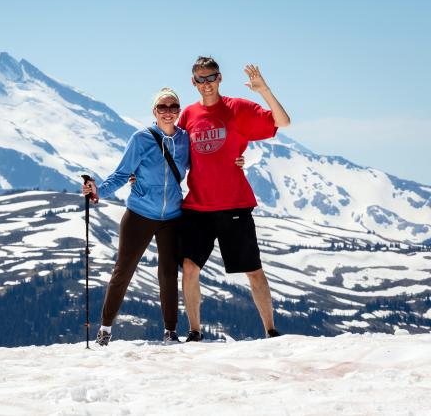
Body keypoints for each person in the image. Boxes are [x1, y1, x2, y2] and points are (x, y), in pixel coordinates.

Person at [178, 56, 291, 342]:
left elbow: (283, 122)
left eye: (211, 77)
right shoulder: (188, 115)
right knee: (189, 268)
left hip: (235, 204)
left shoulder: (237, 108)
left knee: (253, 270)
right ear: (193, 82)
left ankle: (271, 330)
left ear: (219, 78)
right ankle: (194, 331)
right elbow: (174, 154)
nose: (207, 84)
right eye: (200, 79)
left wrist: (263, 90)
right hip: (198, 206)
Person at [82, 88, 189, 345]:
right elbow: (122, 174)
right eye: (162, 107)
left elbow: (203, 166)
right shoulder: (141, 139)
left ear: (179, 110)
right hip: (140, 213)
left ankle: (170, 331)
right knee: (123, 271)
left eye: (173, 106)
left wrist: (236, 161)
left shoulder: (186, 139)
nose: (168, 111)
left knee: (168, 274)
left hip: (173, 216)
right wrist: (98, 192)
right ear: (154, 112)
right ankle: (105, 329)